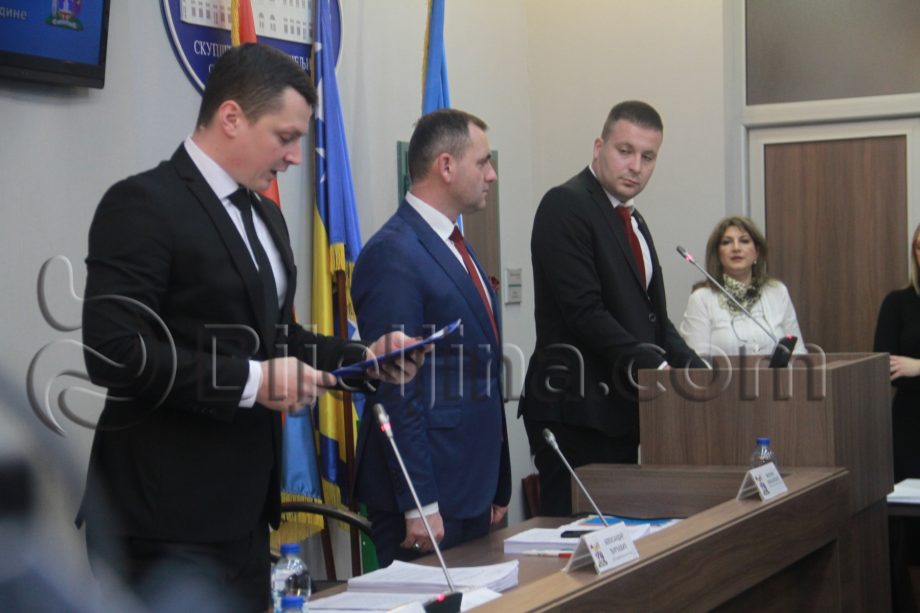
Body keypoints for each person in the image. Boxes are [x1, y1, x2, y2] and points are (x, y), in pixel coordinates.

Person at [78, 44, 422, 611]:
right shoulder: (142, 204)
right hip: (160, 521)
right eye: (285, 137)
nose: (294, 157)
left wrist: (365, 359)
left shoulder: (265, 214)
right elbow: (115, 351)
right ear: (232, 117)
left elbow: (276, 340)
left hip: (243, 516)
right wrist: (254, 382)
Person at [520, 100, 703, 517]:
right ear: (599, 147)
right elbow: (584, 312)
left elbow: (653, 320)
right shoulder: (565, 204)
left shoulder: (633, 220)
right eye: (625, 151)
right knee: (575, 540)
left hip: (622, 410)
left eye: (648, 157)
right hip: (578, 411)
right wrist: (657, 366)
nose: (636, 166)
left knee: (620, 539)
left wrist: (696, 370)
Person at [351, 109, 511, 566]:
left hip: (469, 486)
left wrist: (497, 482)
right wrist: (419, 502)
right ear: (446, 166)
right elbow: (397, 388)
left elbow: (479, 368)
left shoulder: (452, 242)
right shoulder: (394, 252)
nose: (492, 175)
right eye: (482, 162)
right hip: (428, 497)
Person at [679, 216, 805, 358]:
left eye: (744, 241)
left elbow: (798, 351)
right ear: (718, 254)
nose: (736, 248)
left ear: (757, 252)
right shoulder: (701, 298)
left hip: (776, 373)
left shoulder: (777, 291)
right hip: (722, 374)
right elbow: (696, 361)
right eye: (727, 242)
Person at [875, 222, 920, 484]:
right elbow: (886, 366)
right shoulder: (897, 303)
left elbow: (908, 369)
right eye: (919, 247)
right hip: (910, 422)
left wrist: (917, 367)